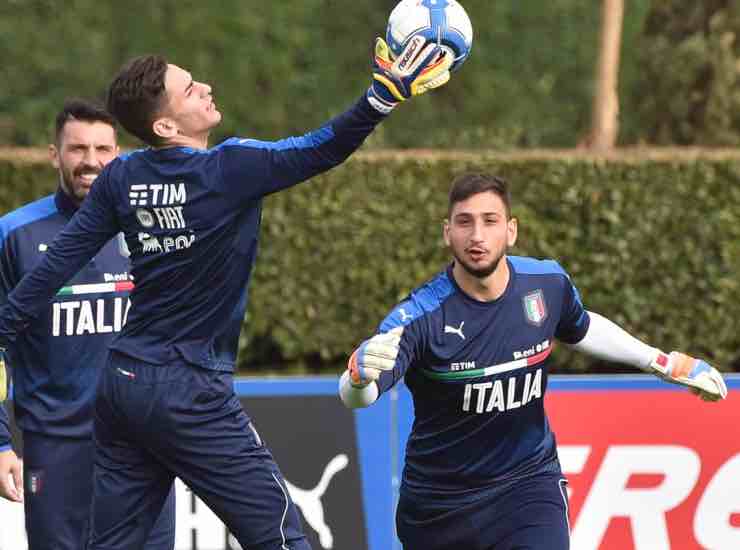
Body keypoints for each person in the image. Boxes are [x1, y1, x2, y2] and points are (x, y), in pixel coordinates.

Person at [0, 33, 454, 550]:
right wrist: (380, 98)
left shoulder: (123, 175)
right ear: (166, 126)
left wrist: (1, 329)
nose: (206, 88)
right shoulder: (229, 167)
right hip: (189, 391)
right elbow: (320, 148)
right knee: (280, 534)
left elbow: (56, 263)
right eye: (191, 88)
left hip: (122, 385)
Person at [339, 172, 728, 550]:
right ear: (447, 233)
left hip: (527, 485)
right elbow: (361, 394)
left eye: (490, 221)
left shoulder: (546, 283)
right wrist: (357, 378)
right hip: (439, 509)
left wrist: (664, 362)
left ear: (511, 230)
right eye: (464, 222)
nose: (477, 236)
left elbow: (582, 326)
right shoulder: (420, 315)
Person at [0, 99, 176, 550]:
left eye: (103, 148)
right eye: (77, 149)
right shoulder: (14, 235)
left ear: (118, 154)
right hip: (56, 450)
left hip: (143, 446)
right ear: (54, 154)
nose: (91, 161)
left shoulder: (151, 228)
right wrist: (0, 444)